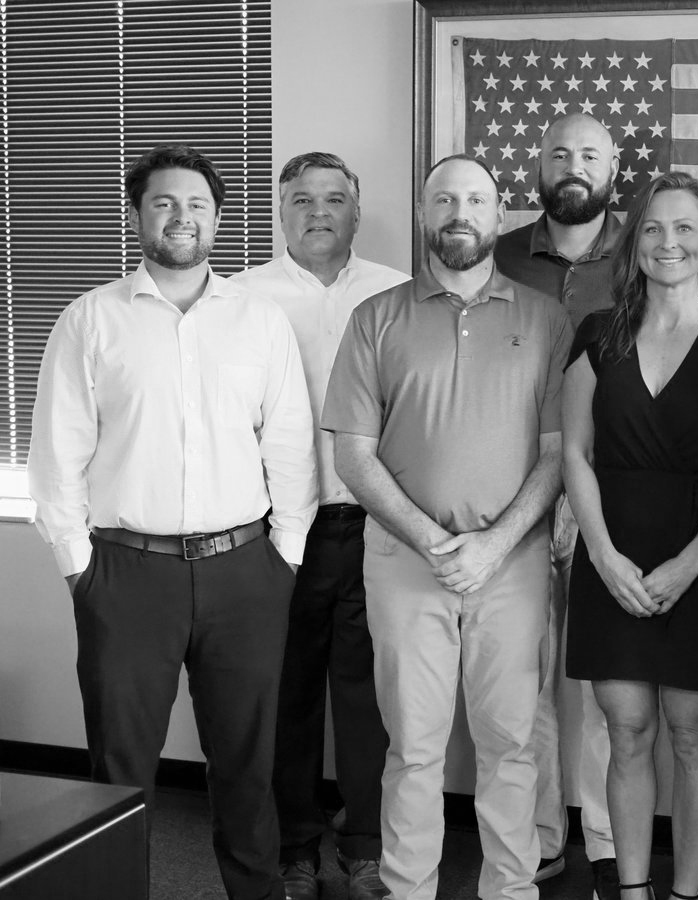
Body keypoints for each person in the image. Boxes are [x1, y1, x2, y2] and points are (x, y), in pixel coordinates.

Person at [28, 143, 317, 900]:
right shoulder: (90, 321)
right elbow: (56, 459)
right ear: (136, 216)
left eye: (196, 204)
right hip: (126, 575)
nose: (181, 216)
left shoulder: (259, 322)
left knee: (247, 763)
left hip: (245, 574)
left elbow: (288, 445)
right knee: (119, 771)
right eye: (163, 202)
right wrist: (81, 570)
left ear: (218, 218)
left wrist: (282, 558)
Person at [323, 154, 571, 900]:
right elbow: (354, 456)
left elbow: (559, 452)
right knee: (415, 747)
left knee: (512, 743)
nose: (459, 212)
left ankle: (511, 890)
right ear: (426, 214)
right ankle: (408, 888)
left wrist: (492, 545)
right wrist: (436, 542)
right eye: (444, 200)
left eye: (476, 200)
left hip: (514, 565)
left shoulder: (545, 319)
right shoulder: (377, 318)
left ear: (500, 217)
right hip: (405, 564)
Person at [563, 172, 698, 900]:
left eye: (684, 229)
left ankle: (686, 892)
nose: (666, 242)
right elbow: (575, 453)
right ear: (631, 241)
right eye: (651, 228)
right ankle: (636, 890)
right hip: (611, 550)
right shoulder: (597, 333)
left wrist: (690, 563)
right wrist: (604, 555)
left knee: (690, 733)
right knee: (628, 730)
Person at [232, 151, 408, 900]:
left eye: (333, 198)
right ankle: (296, 851)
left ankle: (366, 846)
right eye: (300, 199)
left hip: (378, 525)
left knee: (372, 700)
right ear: (281, 212)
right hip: (282, 529)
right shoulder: (242, 298)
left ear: (356, 211)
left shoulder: (399, 292)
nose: (317, 212)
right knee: (290, 697)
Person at [494, 112, 620, 897]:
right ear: (537, 166)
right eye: (558, 153)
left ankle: (607, 837)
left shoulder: (644, 251)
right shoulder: (501, 255)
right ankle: (541, 831)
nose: (572, 165)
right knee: (527, 676)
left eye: (589, 154)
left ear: (615, 168)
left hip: (614, 494)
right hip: (522, 492)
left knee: (607, 682)